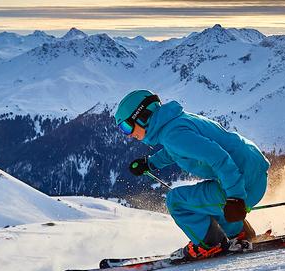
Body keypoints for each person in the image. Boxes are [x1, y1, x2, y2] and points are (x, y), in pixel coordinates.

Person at [114, 89, 268, 260]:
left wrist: (235, 197)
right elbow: (180, 150)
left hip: (243, 185)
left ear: (143, 116)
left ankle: (210, 243)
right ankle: (237, 234)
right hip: (251, 175)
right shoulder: (175, 123)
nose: (128, 134)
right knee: (207, 200)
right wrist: (150, 163)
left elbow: (220, 158)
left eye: (127, 126)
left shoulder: (174, 135)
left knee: (176, 201)